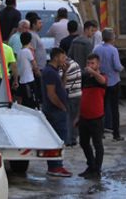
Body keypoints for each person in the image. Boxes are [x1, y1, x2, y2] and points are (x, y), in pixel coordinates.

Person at [41, 47, 73, 177]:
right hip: (55, 111)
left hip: (56, 110)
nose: (65, 59)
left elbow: (61, 86)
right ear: (56, 57)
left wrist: (64, 73)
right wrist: (62, 107)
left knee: (59, 138)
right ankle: (55, 167)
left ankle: (57, 165)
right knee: (58, 139)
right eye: (63, 57)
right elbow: (51, 94)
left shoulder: (55, 72)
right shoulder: (50, 72)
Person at [76, 53, 107, 180]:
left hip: (96, 117)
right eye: (88, 63)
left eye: (92, 63)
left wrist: (93, 73)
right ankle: (91, 165)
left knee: (97, 144)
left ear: (98, 64)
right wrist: (77, 116)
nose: (89, 66)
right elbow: (81, 97)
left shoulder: (101, 77)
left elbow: (103, 81)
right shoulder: (84, 78)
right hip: (84, 116)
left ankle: (97, 169)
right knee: (83, 143)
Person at [93, 28, 125, 142]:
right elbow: (117, 66)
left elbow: (94, 63)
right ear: (112, 38)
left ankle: (100, 132)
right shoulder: (113, 50)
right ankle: (116, 134)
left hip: (101, 81)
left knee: (101, 107)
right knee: (114, 108)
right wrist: (122, 68)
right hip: (113, 81)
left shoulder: (97, 49)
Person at [18, 32, 40, 108]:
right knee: (32, 100)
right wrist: (38, 72)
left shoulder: (20, 51)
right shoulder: (27, 51)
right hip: (29, 80)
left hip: (22, 80)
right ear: (30, 40)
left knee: (25, 100)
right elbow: (34, 64)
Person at [64, 57, 82, 146]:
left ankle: (68, 139)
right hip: (78, 93)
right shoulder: (76, 64)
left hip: (70, 95)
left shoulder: (66, 66)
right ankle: (74, 138)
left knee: (68, 118)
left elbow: (62, 81)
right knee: (75, 118)